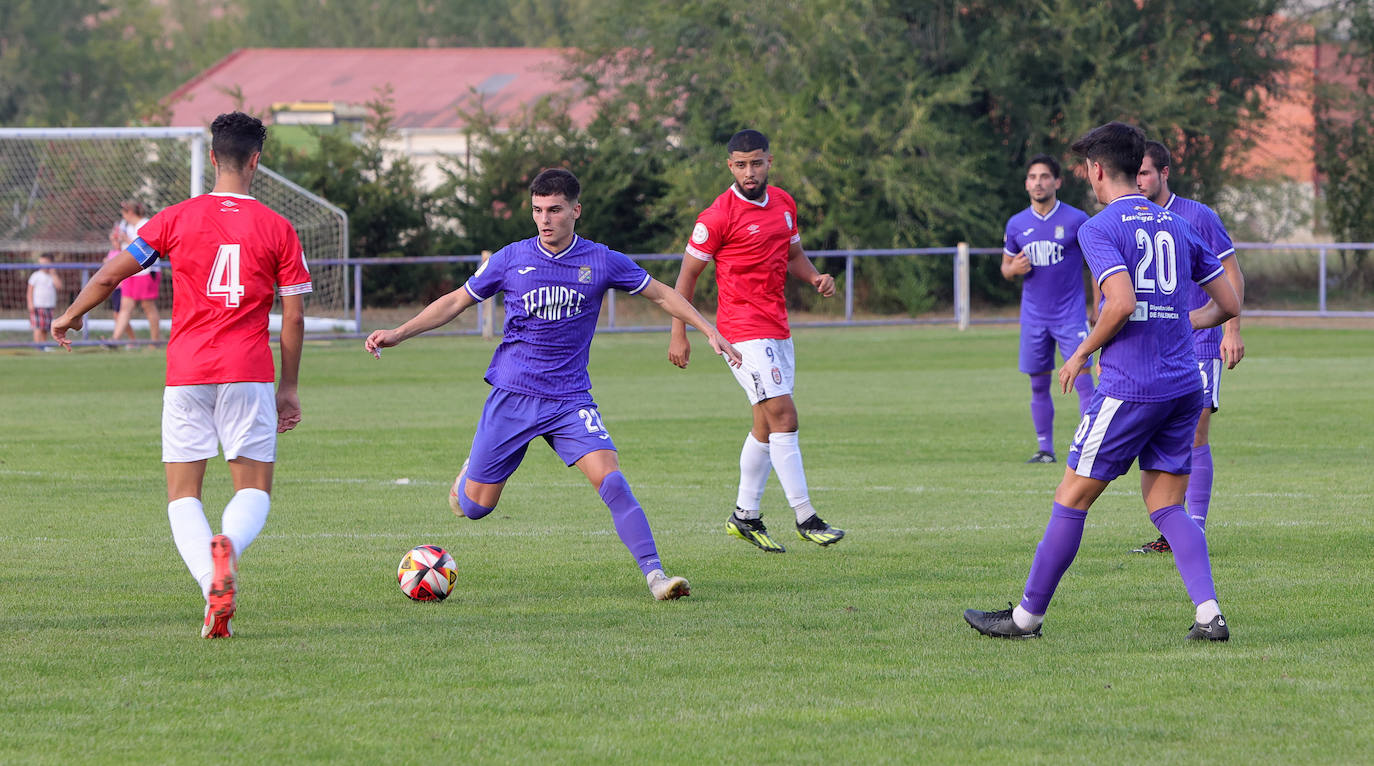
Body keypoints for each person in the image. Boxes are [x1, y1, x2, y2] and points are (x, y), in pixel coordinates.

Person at [364, 168, 742, 602]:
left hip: (569, 400)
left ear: (575, 211)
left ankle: (657, 577)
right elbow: (454, 301)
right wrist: (398, 333)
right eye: (538, 210)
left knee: (613, 482)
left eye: (555, 210)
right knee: (475, 509)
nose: (546, 219)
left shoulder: (601, 260)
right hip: (512, 396)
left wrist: (706, 328)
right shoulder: (510, 258)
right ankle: (469, 475)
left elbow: (659, 293)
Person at [963, 121, 1241, 641]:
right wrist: (1181, 321)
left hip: (1131, 387)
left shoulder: (1098, 227)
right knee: (1165, 506)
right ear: (1138, 168)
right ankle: (1209, 614)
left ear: (1096, 171)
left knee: (1071, 498)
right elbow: (1228, 304)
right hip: (1184, 385)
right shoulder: (1178, 225)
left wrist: (1079, 356)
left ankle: (1026, 618)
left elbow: (1121, 302)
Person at [53, 112, 311, 639]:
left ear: (213, 158)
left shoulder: (173, 219)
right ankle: (228, 552)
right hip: (249, 372)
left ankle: (209, 583)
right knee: (254, 490)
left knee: (182, 495)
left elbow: (109, 274)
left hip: (187, 372)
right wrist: (289, 386)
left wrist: (73, 313)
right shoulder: (279, 229)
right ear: (256, 161)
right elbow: (295, 315)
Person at [668, 128, 845, 554]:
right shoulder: (716, 217)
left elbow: (793, 255)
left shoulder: (784, 203)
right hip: (740, 332)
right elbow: (686, 278)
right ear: (730, 166)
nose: (750, 171)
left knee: (765, 426)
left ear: (769, 162)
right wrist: (680, 333)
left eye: (757, 163)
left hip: (777, 327)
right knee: (785, 415)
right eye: (741, 165)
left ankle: (745, 516)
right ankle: (806, 517)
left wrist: (815, 276)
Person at [1131, 140, 1246, 553]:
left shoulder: (1198, 215)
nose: (1139, 179)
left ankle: (1192, 527)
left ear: (1164, 173)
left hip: (1198, 341)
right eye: (1134, 172)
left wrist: (1231, 330)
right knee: (1161, 438)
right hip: (1151, 347)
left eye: (1145, 172)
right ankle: (1171, 529)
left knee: (1195, 432)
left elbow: (1231, 271)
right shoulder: (1134, 217)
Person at [1001, 154, 1098, 463]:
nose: (1038, 182)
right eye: (1032, 177)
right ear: (1026, 183)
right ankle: (1045, 449)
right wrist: (1013, 269)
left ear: (1057, 182)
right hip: (1034, 318)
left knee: (1084, 381)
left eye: (1044, 176)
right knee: (1038, 385)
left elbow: (1097, 265)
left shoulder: (1076, 219)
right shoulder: (1017, 224)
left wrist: (1098, 305)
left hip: (1070, 316)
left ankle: (1090, 446)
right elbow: (1005, 268)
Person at [110, 200, 161, 344]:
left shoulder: (145, 224)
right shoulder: (128, 226)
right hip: (131, 271)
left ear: (130, 212)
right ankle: (114, 340)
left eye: (124, 213)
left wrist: (126, 239)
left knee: (148, 306)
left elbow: (148, 247)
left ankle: (155, 341)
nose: (123, 216)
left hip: (146, 271)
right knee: (125, 306)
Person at [27, 253, 62, 347]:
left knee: (45, 328)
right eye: (41, 263)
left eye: (46, 263)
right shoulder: (36, 275)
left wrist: (54, 274)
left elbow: (59, 286)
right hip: (38, 306)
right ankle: (37, 346)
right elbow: (30, 291)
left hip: (49, 305)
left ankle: (44, 345)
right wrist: (30, 303)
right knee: (38, 327)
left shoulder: (52, 276)